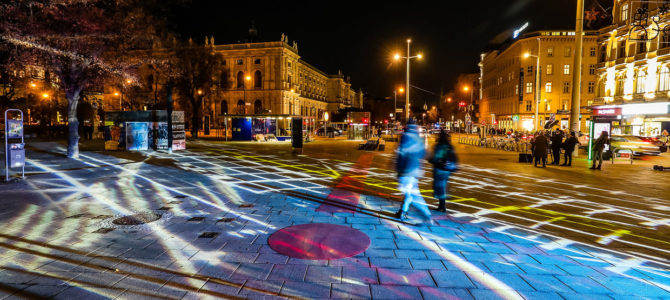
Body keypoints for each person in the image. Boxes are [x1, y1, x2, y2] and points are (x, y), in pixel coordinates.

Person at [394, 119, 432, 225]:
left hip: (406, 170)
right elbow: (426, 154)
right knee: (410, 194)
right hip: (415, 171)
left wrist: (396, 168)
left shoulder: (405, 137)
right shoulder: (419, 138)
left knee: (412, 195)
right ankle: (402, 212)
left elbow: (400, 154)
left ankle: (426, 215)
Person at [430, 130, 458, 212]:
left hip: (439, 169)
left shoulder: (439, 146)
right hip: (447, 170)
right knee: (443, 186)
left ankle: (442, 206)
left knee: (440, 188)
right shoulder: (449, 146)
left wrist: (431, 160)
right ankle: (442, 205)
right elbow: (454, 157)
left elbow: (436, 158)